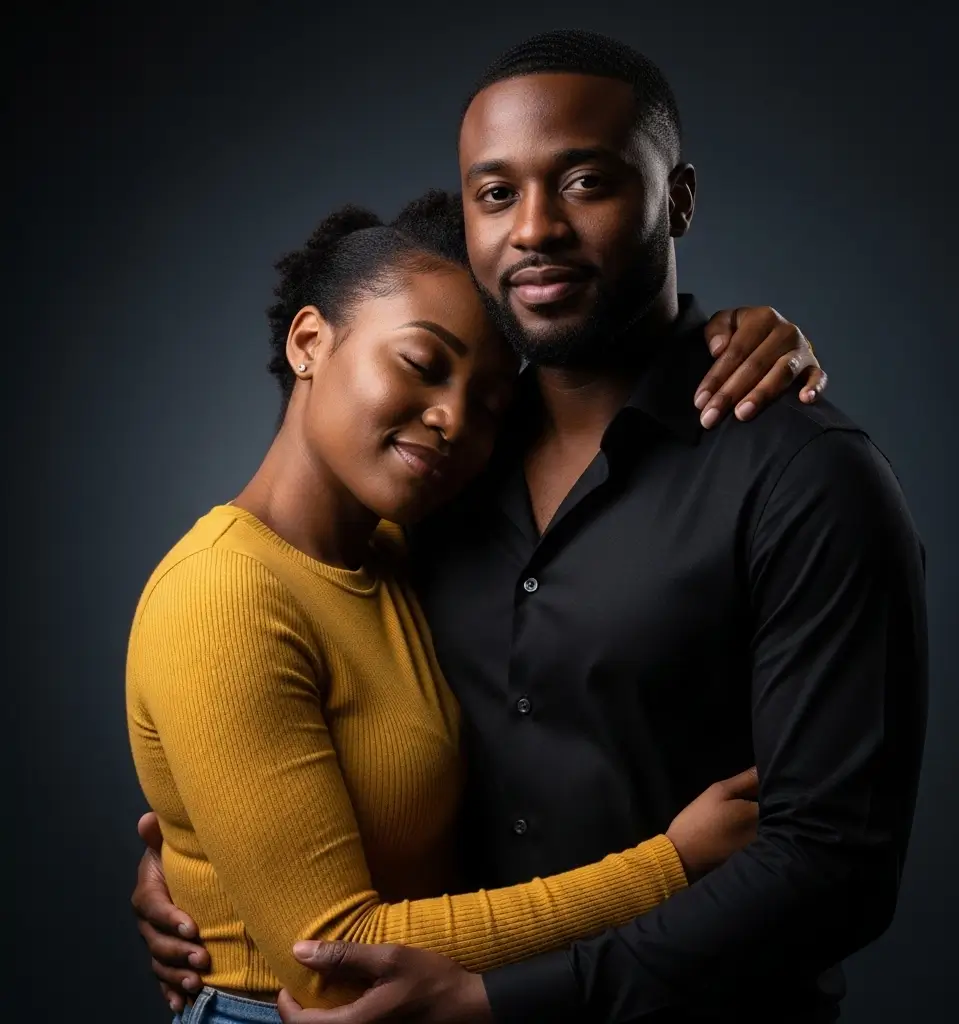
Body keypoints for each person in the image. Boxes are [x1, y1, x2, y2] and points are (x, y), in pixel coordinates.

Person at [130, 30, 917, 1024]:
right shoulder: (443, 483)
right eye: (496, 193)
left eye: (586, 182)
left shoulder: (802, 474)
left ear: (675, 199)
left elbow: (836, 867)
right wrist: (200, 870)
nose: (536, 227)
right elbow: (277, 703)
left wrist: (500, 998)